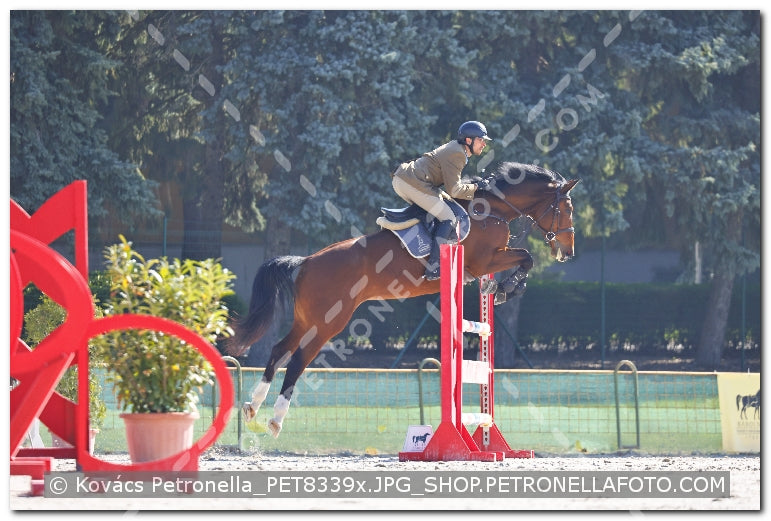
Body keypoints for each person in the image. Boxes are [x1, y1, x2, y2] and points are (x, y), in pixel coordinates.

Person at [391, 120, 492, 280]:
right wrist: (476, 188)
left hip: (407, 180)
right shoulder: (458, 153)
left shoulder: (458, 150)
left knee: (446, 206)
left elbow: (452, 188)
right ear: (468, 140)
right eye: (481, 139)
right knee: (449, 218)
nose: (484, 144)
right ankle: (434, 267)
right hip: (412, 183)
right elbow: (455, 190)